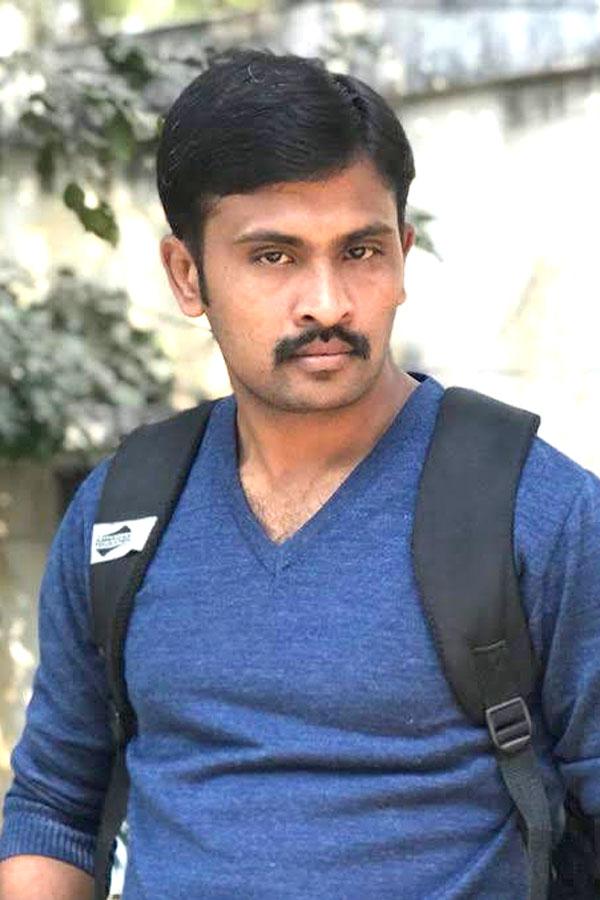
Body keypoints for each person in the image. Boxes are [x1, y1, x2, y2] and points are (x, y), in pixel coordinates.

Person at [0, 48, 599, 900]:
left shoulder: (536, 510)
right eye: (274, 256)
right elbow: (56, 805)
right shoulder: (121, 514)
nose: (328, 301)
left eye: (360, 250)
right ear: (187, 275)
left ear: (402, 256)